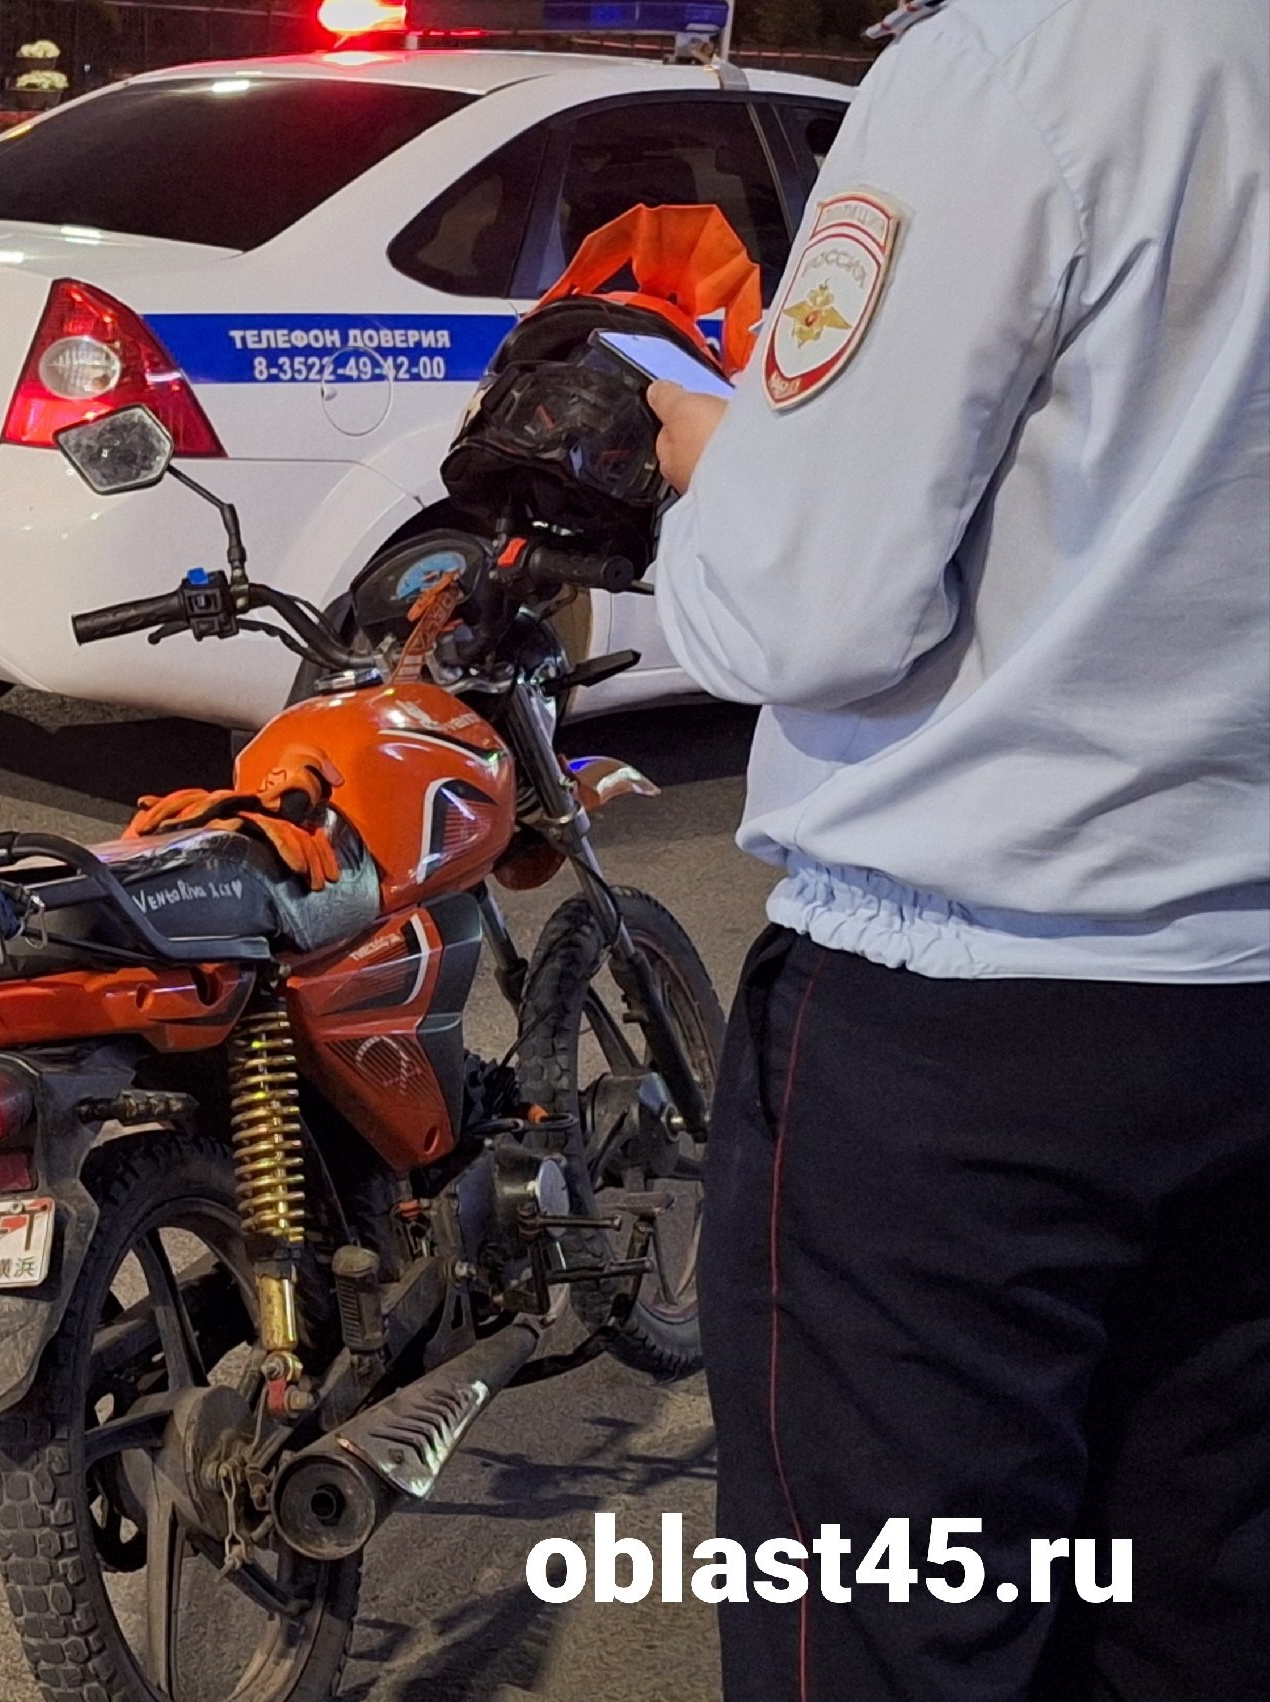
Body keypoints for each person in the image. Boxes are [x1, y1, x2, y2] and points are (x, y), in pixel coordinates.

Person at [644, 0, 1267, 1698]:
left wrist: (718, 468)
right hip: (1237, 988)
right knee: (1196, 1609)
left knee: (888, 1633)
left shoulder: (1015, 64)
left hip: (970, 1033)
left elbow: (805, 607)